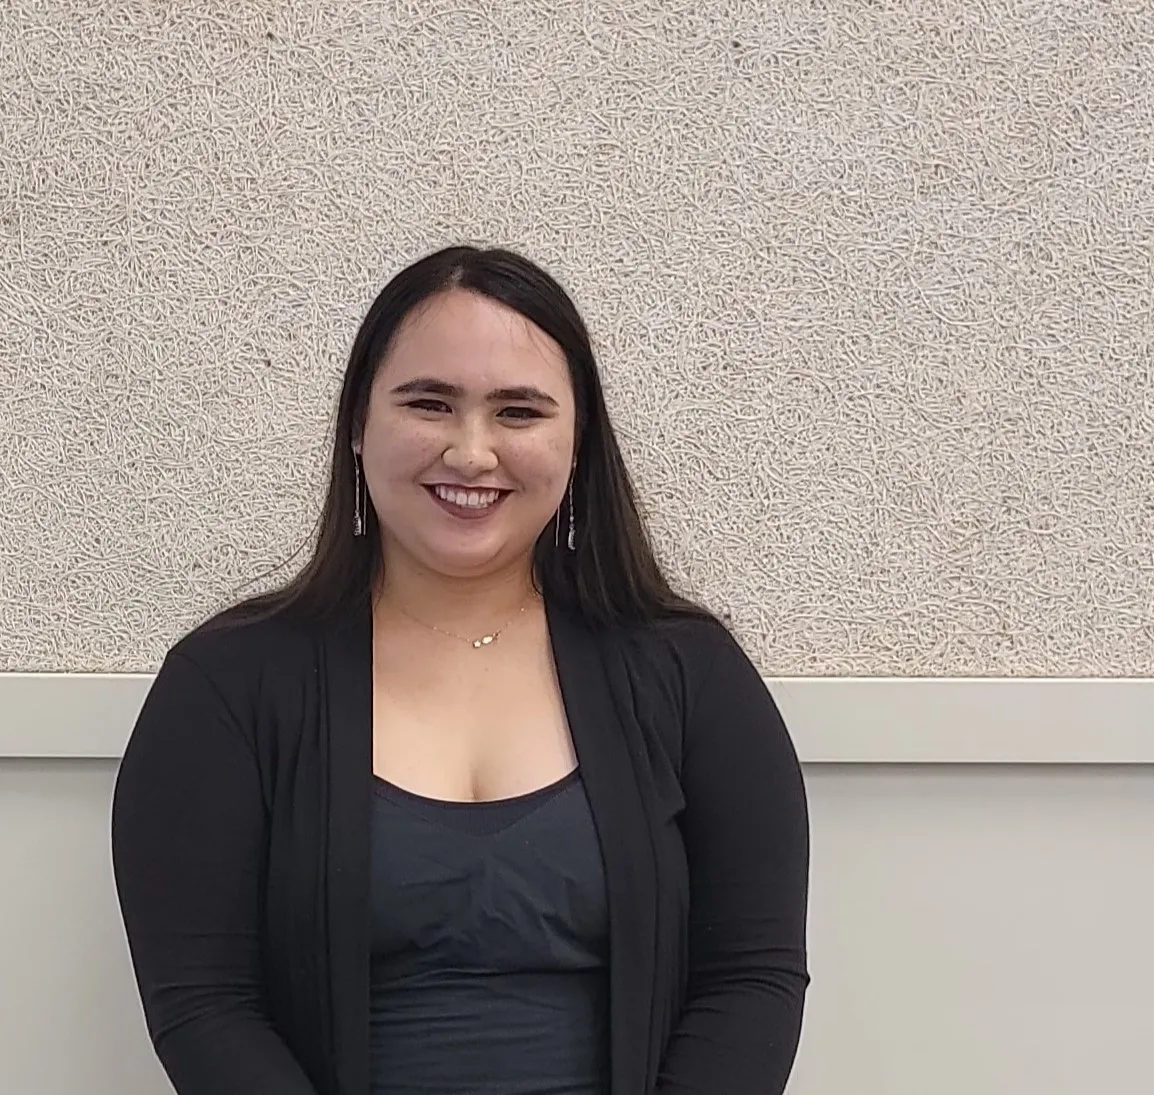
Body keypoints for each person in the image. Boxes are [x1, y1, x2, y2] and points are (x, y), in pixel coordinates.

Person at [111, 245, 810, 1095]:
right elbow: (204, 1004)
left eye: (519, 412)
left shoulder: (689, 674)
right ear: (359, 425)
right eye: (430, 403)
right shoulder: (226, 686)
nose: (472, 452)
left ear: (578, 440)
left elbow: (752, 977)